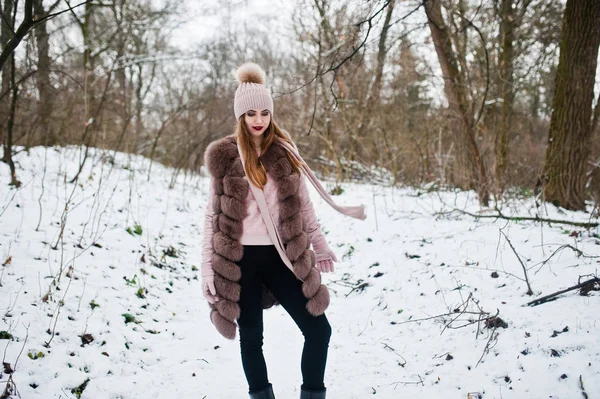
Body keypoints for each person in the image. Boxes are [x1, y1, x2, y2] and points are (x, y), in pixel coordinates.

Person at [201, 62, 366, 399]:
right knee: (251, 338)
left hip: (281, 258)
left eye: (264, 111)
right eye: (250, 113)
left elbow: (304, 208)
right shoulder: (227, 157)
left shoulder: (285, 154)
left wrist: (319, 246)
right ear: (241, 117)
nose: (258, 119)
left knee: (319, 330)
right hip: (240, 261)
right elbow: (211, 218)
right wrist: (206, 267)